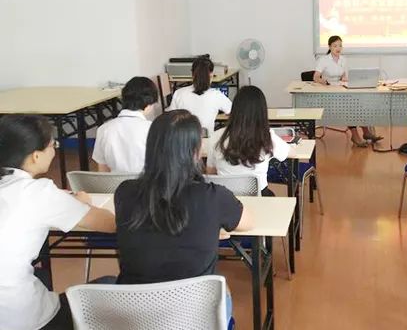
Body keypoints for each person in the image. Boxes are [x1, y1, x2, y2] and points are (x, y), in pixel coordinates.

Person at [114, 110, 253, 325]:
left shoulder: (125, 192)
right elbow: (248, 223)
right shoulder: (214, 197)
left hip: (135, 317)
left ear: (152, 148)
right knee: (222, 287)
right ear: (195, 152)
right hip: (196, 317)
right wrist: (213, 226)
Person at [0, 115, 116, 330]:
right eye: (53, 145)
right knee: (111, 283)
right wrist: (82, 204)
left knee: (41, 273)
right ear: (35, 156)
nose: (54, 151)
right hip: (21, 320)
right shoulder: (37, 192)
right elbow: (109, 224)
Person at [206, 86, 289, 196]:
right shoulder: (267, 137)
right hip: (258, 199)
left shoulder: (216, 137)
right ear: (262, 112)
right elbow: (288, 153)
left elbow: (210, 172)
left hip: (225, 199)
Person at [313, 35, 382, 147]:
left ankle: (366, 132)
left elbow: (343, 76)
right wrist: (323, 81)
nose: (338, 48)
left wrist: (347, 79)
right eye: (335, 46)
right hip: (328, 93)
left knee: (357, 104)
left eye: (340, 46)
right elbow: (316, 77)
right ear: (329, 47)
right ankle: (355, 136)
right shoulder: (323, 60)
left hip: (340, 90)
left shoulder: (343, 60)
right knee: (349, 106)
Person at [92, 76, 158, 173]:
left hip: (114, 182)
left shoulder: (103, 129)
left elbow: (102, 170)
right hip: (144, 182)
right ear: (149, 103)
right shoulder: (153, 129)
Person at [168, 57, 232, 135]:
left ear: (192, 74)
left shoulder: (179, 93)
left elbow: (171, 117)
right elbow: (234, 112)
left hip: (183, 138)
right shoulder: (217, 95)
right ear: (211, 75)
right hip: (206, 138)